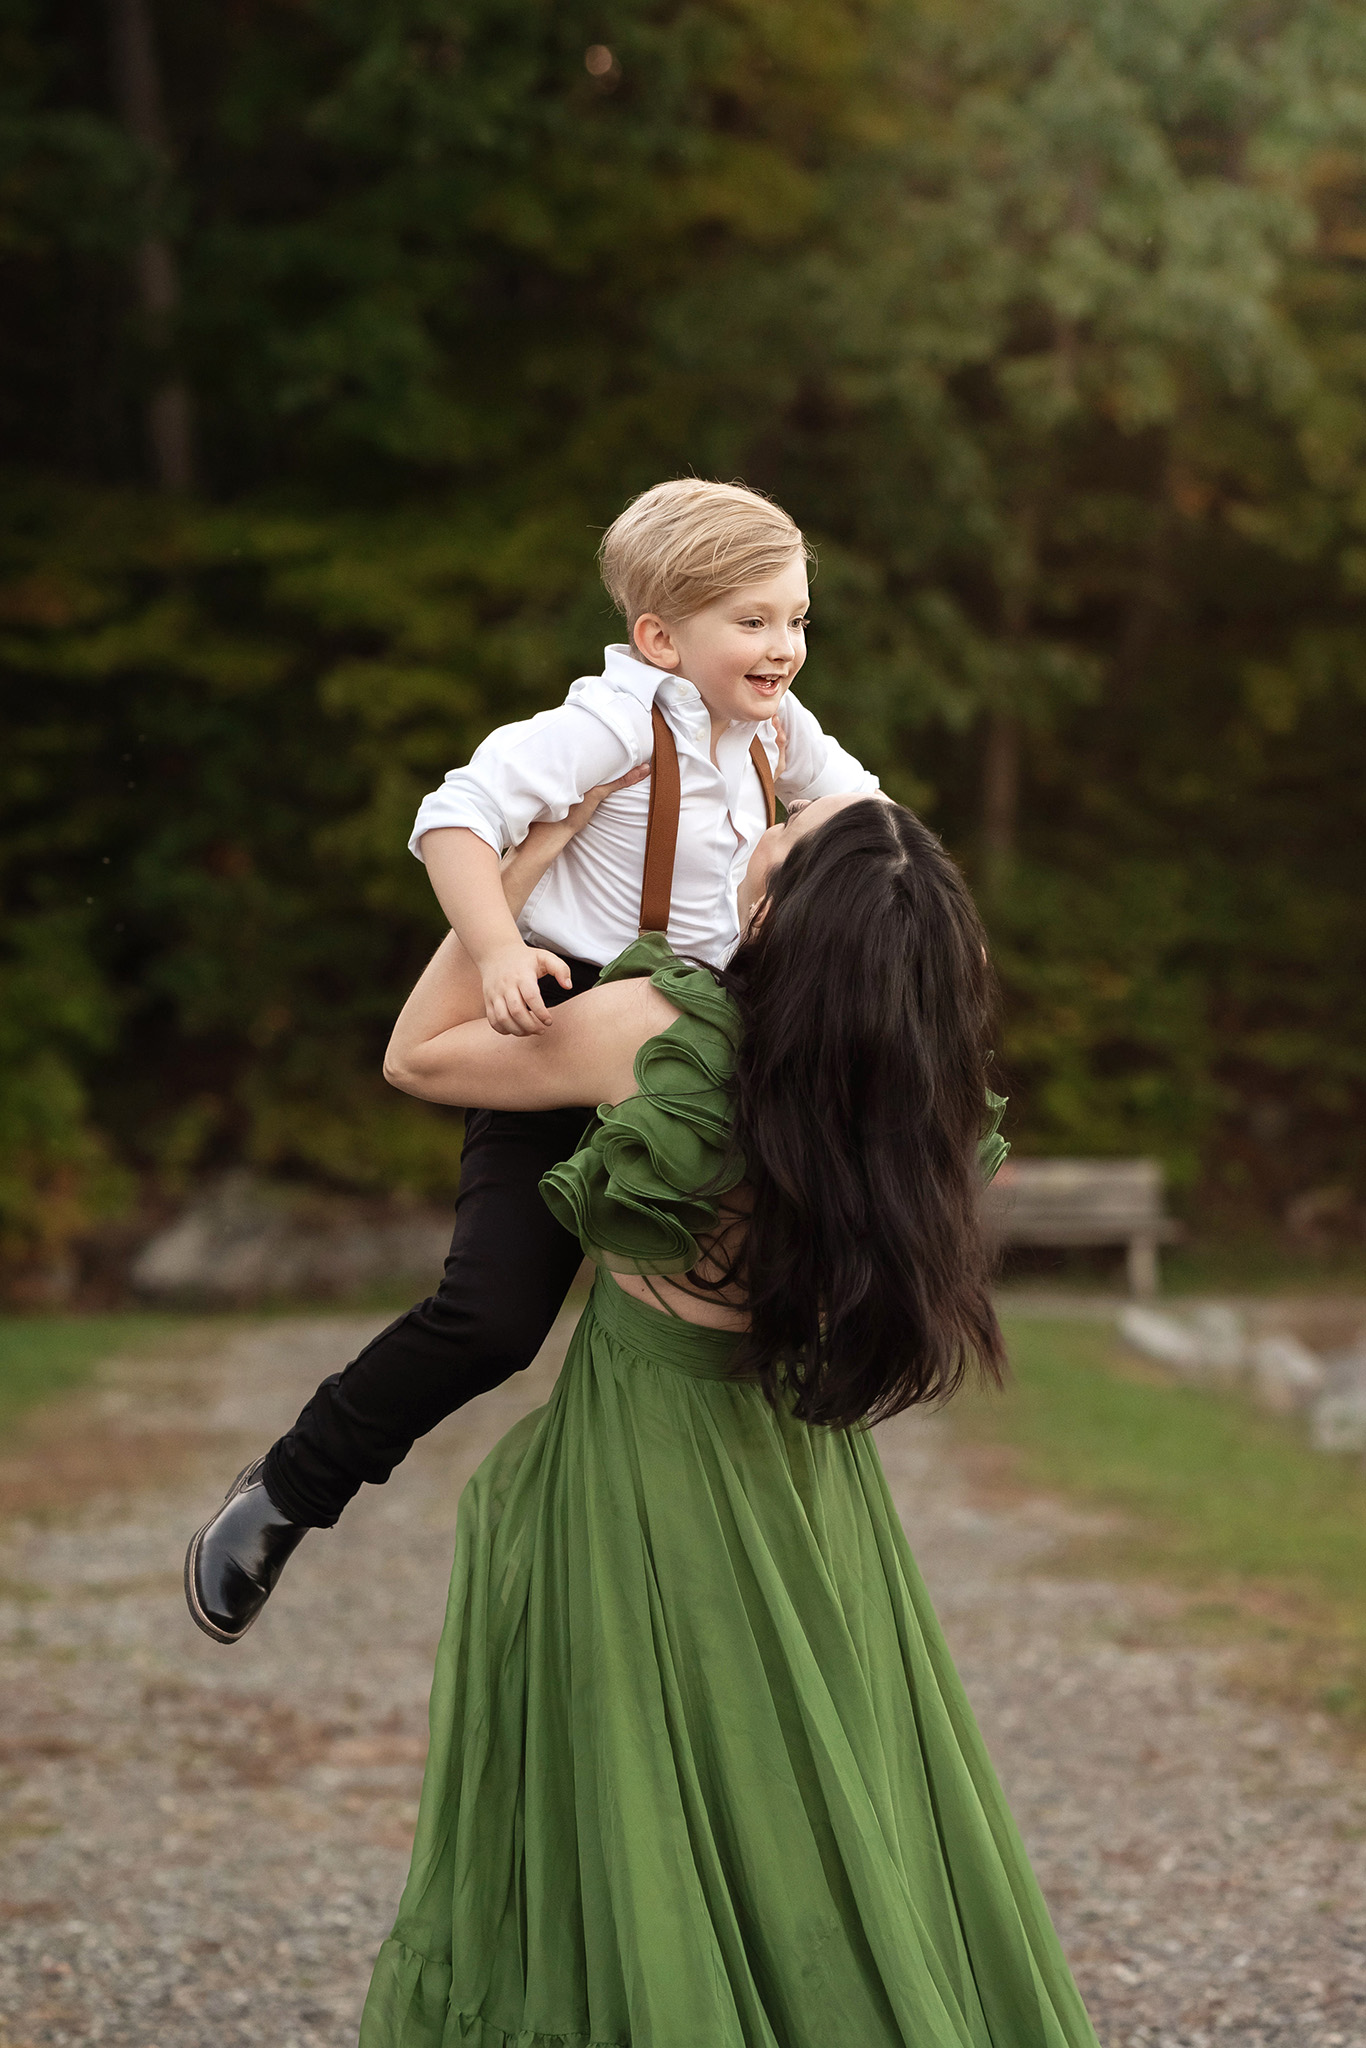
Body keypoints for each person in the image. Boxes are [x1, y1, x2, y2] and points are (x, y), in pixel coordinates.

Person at [356, 789, 1096, 2048]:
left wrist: (516, 884)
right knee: (818, 1773)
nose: (777, 809)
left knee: (647, 1788)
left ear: (778, 904)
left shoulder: (668, 1034)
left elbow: (417, 1055)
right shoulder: (918, 1093)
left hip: (648, 1458)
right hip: (808, 1465)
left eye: (792, 827)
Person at [185, 478, 878, 1645]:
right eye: (753, 621)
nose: (786, 647)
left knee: (781, 1283)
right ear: (661, 636)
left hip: (711, 1050)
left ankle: (748, 1561)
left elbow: (867, 819)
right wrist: (500, 945)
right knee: (494, 1316)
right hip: (573, 1031)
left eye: (797, 619)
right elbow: (451, 819)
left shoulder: (776, 733)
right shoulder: (603, 726)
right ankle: (289, 1489)